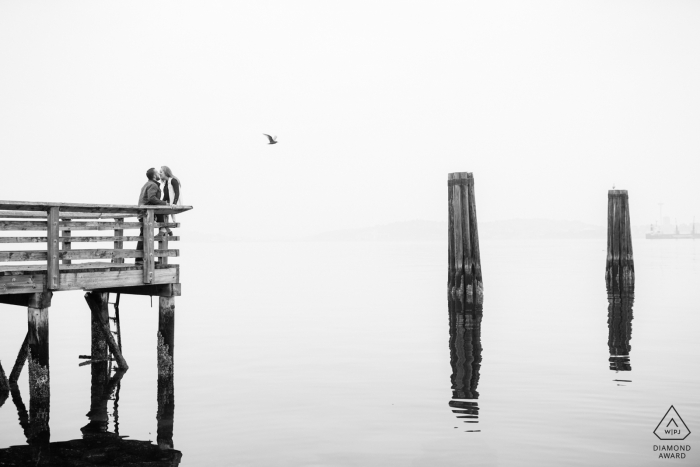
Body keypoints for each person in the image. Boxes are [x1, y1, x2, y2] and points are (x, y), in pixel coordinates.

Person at [136, 168, 169, 263]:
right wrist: (165, 203)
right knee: (145, 235)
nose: (159, 174)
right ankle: (140, 259)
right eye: (158, 173)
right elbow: (152, 199)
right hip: (146, 214)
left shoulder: (147, 184)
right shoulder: (153, 185)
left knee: (144, 235)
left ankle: (140, 259)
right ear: (154, 176)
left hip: (142, 213)